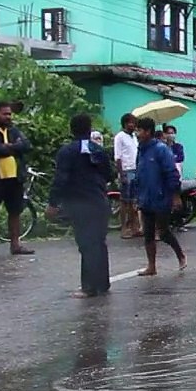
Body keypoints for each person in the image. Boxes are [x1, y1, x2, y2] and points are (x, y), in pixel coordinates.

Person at [47, 113, 113, 297]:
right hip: (99, 201)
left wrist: (53, 203)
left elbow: (60, 179)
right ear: (90, 128)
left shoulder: (67, 152)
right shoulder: (98, 150)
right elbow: (110, 174)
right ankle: (103, 283)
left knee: (86, 243)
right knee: (99, 242)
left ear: (71, 129)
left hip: (80, 203)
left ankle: (89, 287)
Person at [0, 101, 35, 257]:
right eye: (5, 114)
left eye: (10, 114)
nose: (8, 117)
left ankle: (15, 244)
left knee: (15, 211)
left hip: (14, 178)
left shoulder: (14, 130)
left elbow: (27, 145)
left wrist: (8, 147)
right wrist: (14, 147)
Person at [133, 118, 186, 276]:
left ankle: (180, 255)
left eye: (139, 130)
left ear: (148, 131)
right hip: (145, 197)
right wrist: (137, 195)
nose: (137, 134)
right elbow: (139, 174)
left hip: (161, 197)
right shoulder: (141, 150)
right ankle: (151, 266)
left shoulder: (161, 150)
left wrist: (175, 196)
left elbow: (172, 173)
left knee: (163, 232)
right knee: (148, 234)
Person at [114, 113, 141, 238]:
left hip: (135, 170)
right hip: (126, 171)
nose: (133, 125)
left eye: (134, 123)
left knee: (134, 201)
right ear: (125, 123)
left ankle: (135, 227)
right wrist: (122, 174)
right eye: (131, 122)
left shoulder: (134, 137)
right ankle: (124, 228)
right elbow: (118, 157)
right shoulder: (120, 137)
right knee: (125, 201)